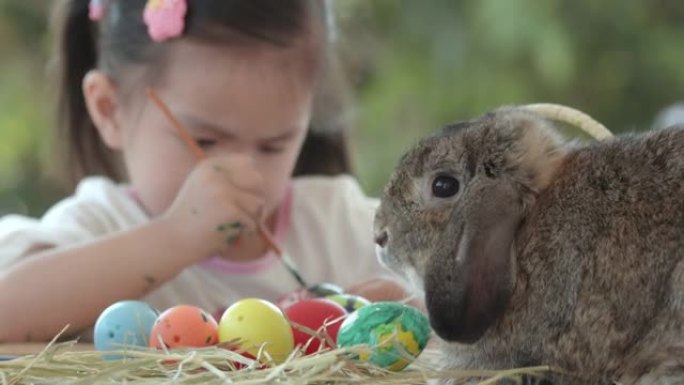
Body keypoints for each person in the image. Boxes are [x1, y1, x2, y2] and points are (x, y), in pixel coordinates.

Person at [0, 0, 411, 343]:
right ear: (109, 110)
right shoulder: (99, 225)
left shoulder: (340, 224)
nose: (242, 170)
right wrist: (177, 236)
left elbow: (461, 295)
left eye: (274, 144)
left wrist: (412, 307)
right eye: (205, 142)